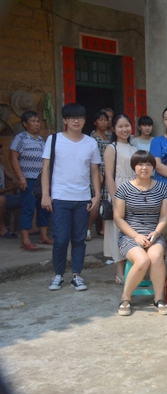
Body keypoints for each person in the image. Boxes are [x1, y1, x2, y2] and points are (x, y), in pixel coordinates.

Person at [41, 103, 102, 292]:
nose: (76, 121)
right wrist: (46, 195)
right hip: (59, 197)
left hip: (83, 198)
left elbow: (94, 171)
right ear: (65, 120)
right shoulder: (54, 140)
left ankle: (76, 275)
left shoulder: (90, 143)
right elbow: (46, 169)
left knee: (79, 239)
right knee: (60, 239)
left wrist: (97, 195)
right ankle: (58, 274)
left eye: (80, 117)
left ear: (84, 120)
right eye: (72, 117)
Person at [113, 150, 167, 316]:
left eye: (148, 164)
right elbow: (118, 218)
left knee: (156, 256)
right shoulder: (124, 189)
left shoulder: (162, 188)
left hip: (154, 234)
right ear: (134, 167)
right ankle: (126, 298)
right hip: (130, 235)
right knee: (142, 260)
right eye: (140, 164)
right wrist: (135, 236)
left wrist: (156, 233)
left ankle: (159, 298)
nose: (144, 168)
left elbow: (164, 216)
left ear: (153, 167)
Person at [103, 113, 138, 285]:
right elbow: (109, 176)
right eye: (120, 126)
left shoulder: (134, 148)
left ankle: (133, 269)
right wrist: (115, 198)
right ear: (114, 129)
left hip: (135, 189)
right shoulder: (112, 148)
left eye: (127, 126)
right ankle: (119, 272)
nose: (124, 129)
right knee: (118, 231)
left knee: (133, 230)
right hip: (119, 189)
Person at [9, 111, 51, 248]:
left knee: (44, 207)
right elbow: (13, 158)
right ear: (25, 123)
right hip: (28, 179)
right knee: (28, 208)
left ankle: (43, 237)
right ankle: (25, 240)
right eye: (33, 121)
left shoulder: (41, 140)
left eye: (38, 121)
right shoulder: (20, 138)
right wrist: (21, 177)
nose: (36, 124)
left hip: (42, 180)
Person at [87, 109, 111, 240]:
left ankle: (104, 230)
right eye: (100, 120)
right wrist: (98, 174)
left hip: (109, 172)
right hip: (97, 172)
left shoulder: (109, 136)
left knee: (106, 202)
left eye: (105, 120)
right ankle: (88, 229)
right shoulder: (92, 138)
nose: (103, 122)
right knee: (95, 202)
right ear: (95, 122)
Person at [0, 143, 20, 238]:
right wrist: (10, 188)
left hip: (7, 198)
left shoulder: (2, 167)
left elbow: (14, 178)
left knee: (31, 197)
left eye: (1, 154)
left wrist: (17, 181)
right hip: (2, 199)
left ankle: (33, 228)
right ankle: (2, 229)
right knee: (1, 200)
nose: (1, 157)